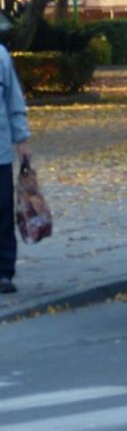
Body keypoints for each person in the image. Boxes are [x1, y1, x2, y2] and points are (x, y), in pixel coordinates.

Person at [0, 43, 31, 293]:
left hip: (0, 152)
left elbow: (14, 101)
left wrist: (22, 140)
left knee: (2, 213)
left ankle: (3, 272)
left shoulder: (0, 56)